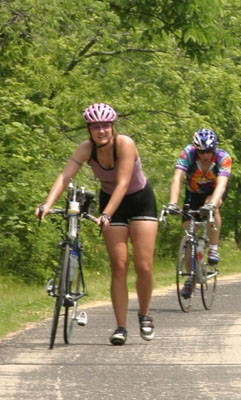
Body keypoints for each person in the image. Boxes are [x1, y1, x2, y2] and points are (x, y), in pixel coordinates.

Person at [36, 103, 158, 346]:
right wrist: (47, 204)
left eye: (106, 125)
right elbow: (65, 176)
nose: (101, 131)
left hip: (139, 200)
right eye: (95, 127)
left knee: (143, 266)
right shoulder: (86, 149)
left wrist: (106, 214)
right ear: (89, 129)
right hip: (111, 202)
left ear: (113, 126)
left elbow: (123, 184)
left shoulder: (125, 144)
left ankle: (144, 314)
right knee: (118, 265)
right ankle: (121, 327)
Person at [166, 128, 231, 298]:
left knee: (212, 205)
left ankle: (214, 248)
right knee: (189, 238)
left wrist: (212, 204)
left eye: (209, 151)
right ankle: (190, 279)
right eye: (201, 151)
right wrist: (173, 202)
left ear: (214, 148)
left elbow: (222, 185)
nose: (205, 155)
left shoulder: (223, 158)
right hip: (193, 193)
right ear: (196, 149)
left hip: (214, 191)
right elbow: (177, 178)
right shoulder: (187, 154)